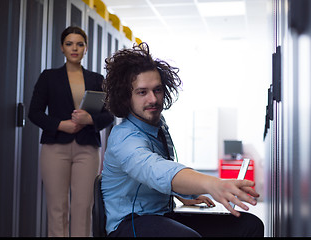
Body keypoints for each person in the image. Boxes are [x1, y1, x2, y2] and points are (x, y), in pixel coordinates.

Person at [101, 42, 264, 237]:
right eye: (142, 92)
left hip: (160, 215)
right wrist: (213, 184)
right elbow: (154, 169)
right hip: (128, 224)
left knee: (249, 226)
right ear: (126, 97)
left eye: (157, 90)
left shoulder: (158, 124)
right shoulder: (124, 137)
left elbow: (160, 170)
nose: (153, 99)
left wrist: (185, 195)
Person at [28, 26, 114, 237]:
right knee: (57, 209)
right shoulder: (49, 77)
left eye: (80, 44)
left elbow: (110, 115)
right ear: (62, 48)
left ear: (86, 49)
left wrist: (89, 119)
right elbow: (35, 113)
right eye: (69, 44)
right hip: (54, 148)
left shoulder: (97, 80)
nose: (74, 48)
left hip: (87, 149)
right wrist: (60, 124)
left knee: (84, 208)